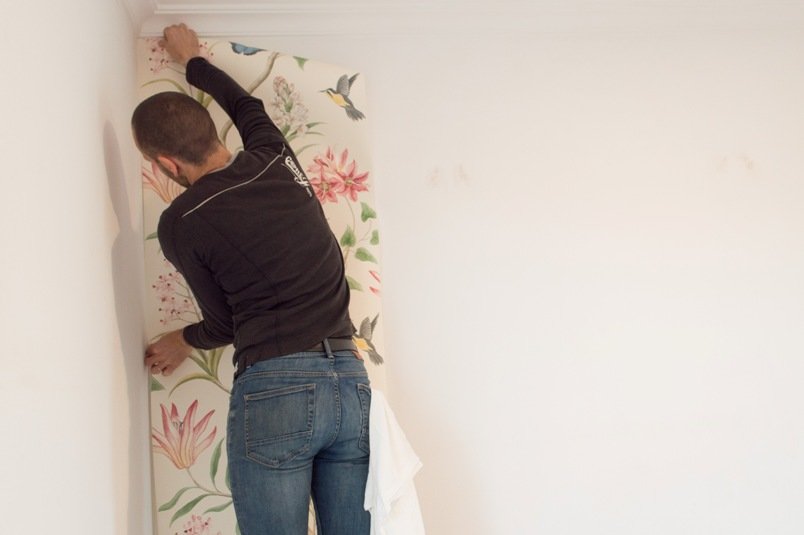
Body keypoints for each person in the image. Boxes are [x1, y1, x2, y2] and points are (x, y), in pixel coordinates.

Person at [132, 24, 371, 535]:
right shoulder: (275, 156)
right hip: (350, 383)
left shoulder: (181, 222)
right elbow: (247, 105)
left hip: (278, 387)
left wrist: (181, 339)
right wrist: (192, 61)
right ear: (213, 135)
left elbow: (224, 324)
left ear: (167, 164)